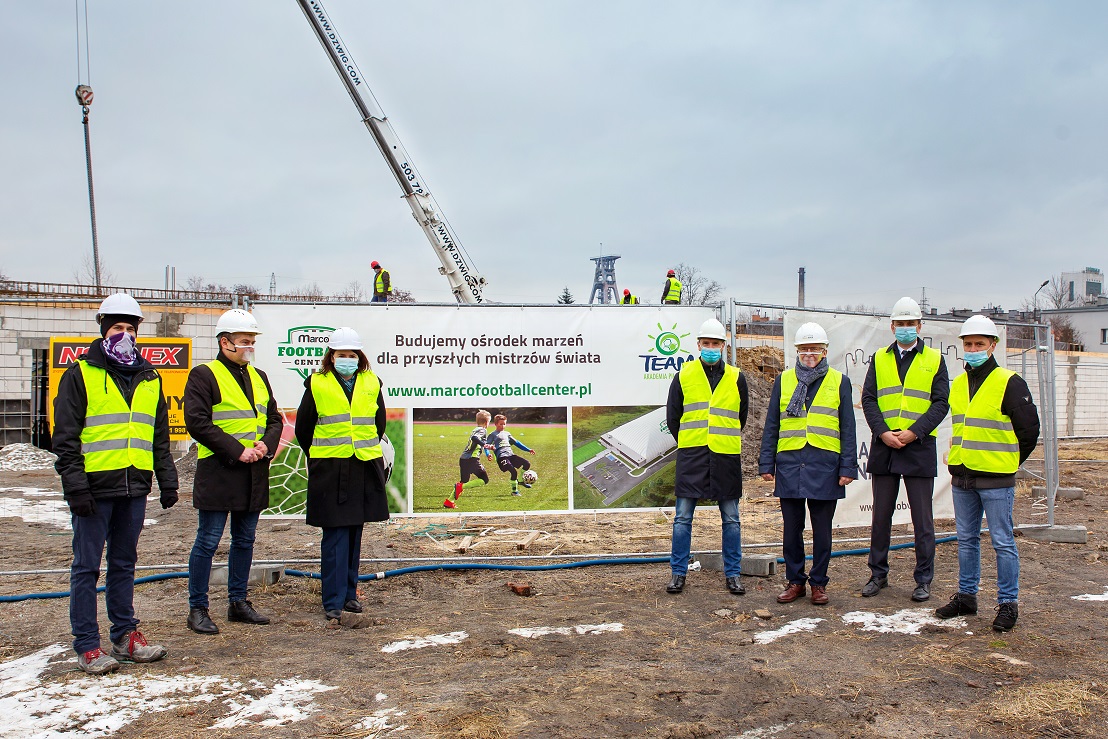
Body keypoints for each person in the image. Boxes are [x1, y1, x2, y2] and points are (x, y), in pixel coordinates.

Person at [53, 293, 177, 674]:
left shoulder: (149, 378)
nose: (124, 334)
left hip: (134, 488)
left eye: (130, 328)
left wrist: (167, 480)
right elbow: (66, 439)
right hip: (93, 488)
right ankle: (88, 645)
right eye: (117, 327)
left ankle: (125, 635)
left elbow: (158, 436)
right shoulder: (80, 374)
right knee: (87, 567)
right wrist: (75, 487)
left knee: (124, 563)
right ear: (103, 328)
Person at [935, 315, 1039, 632]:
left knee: (1002, 542)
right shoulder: (959, 384)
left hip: (996, 480)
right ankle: (967, 597)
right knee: (966, 541)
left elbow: (1029, 431)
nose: (973, 348)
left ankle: (1008, 604)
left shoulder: (1009, 382)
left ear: (993, 345)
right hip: (963, 477)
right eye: (968, 344)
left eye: (980, 343)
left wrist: (1008, 461)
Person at [184, 308, 282, 634]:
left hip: (253, 471)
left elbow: (274, 419)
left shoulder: (259, 376)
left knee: (245, 540)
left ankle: (238, 602)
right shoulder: (204, 374)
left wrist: (266, 445)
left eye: (252, 341)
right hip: (219, 470)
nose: (249, 346)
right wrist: (237, 450)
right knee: (208, 540)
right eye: (244, 341)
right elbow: (197, 422)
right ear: (225, 342)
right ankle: (197, 608)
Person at [294, 327, 390, 621]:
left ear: (359, 356)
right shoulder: (317, 383)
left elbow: (379, 423)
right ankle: (332, 600)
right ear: (331, 357)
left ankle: (349, 595)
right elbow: (303, 428)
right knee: (335, 535)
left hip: (362, 464)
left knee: (354, 533)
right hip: (331, 467)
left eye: (351, 354)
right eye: (341, 355)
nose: (346, 359)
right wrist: (321, 455)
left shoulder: (371, 382)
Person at [760, 322, 857, 606]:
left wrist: (847, 467)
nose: (809, 353)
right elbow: (772, 425)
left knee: (822, 530)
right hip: (790, 463)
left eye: (815, 348)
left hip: (825, 463)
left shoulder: (840, 382)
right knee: (791, 529)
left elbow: (848, 428)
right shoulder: (784, 380)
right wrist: (767, 463)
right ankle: (795, 581)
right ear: (797, 351)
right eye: (804, 349)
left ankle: (818, 583)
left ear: (825, 351)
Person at [860, 297, 950, 603]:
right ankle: (878, 574)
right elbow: (869, 399)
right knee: (881, 516)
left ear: (920, 326)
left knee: (922, 519)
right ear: (892, 326)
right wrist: (883, 432)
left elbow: (941, 403)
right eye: (901, 324)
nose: (906, 329)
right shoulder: (879, 358)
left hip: (918, 446)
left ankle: (923, 579)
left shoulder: (935, 360)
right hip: (885, 447)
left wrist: (914, 433)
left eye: (911, 324)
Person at [665, 317, 748, 596]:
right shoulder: (684, 375)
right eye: (706, 343)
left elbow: (742, 416)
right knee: (682, 518)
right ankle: (678, 573)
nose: (711, 347)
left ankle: (733, 574)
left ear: (723, 346)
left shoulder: (737, 377)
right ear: (698, 344)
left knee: (732, 518)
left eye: (716, 343)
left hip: (725, 456)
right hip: (692, 455)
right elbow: (673, 417)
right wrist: (691, 441)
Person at [443, 410, 494, 509]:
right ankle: (459, 487)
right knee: (484, 479)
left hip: (464, 459)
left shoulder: (475, 429)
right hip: (472, 460)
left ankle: (449, 501)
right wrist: (485, 444)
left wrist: (487, 452)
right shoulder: (482, 430)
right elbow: (475, 438)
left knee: (464, 481)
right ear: (486, 422)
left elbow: (477, 443)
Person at [486, 414, 535, 496]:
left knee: (527, 464)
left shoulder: (507, 434)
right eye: (500, 424)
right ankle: (514, 491)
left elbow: (517, 443)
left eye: (504, 424)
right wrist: (488, 454)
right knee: (513, 471)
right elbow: (486, 446)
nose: (502, 426)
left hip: (511, 455)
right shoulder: (493, 435)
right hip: (502, 457)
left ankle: (520, 481)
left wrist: (528, 449)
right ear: (495, 424)